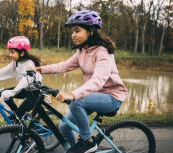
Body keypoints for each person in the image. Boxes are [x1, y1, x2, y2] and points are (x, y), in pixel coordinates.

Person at [36, 10, 127, 153]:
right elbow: (64, 66)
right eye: (72, 31)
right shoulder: (82, 51)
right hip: (93, 96)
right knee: (64, 127)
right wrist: (40, 69)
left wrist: (72, 94)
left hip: (112, 97)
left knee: (76, 101)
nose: (73, 35)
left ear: (90, 31)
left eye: (77, 31)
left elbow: (98, 81)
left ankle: (87, 141)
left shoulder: (103, 52)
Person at [0, 36, 42, 118]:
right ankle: (17, 116)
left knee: (16, 117)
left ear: (21, 53)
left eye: (12, 52)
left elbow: (26, 80)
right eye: (9, 52)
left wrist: (13, 92)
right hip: (25, 90)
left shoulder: (29, 64)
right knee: (3, 93)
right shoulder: (16, 63)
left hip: (34, 94)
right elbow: (3, 72)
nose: (10, 55)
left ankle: (17, 118)